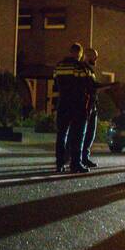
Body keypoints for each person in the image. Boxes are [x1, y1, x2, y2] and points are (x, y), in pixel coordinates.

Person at [53, 43, 91, 173]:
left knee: (61, 134)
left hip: (63, 103)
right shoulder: (80, 66)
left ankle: (59, 163)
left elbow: (55, 84)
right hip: (77, 105)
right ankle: (75, 164)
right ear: (79, 54)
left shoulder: (59, 66)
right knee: (77, 135)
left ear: (70, 52)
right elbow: (87, 84)